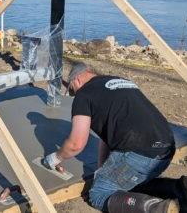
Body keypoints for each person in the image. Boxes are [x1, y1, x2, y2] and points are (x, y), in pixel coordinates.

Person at [42, 62, 179, 213]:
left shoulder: (84, 94)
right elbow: (106, 137)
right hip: (166, 151)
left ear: (77, 79)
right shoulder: (120, 82)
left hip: (139, 156)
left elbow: (76, 144)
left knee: (98, 194)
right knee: (127, 181)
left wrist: (54, 158)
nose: (74, 94)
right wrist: (102, 169)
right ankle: (177, 188)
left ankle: (156, 208)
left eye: (73, 90)